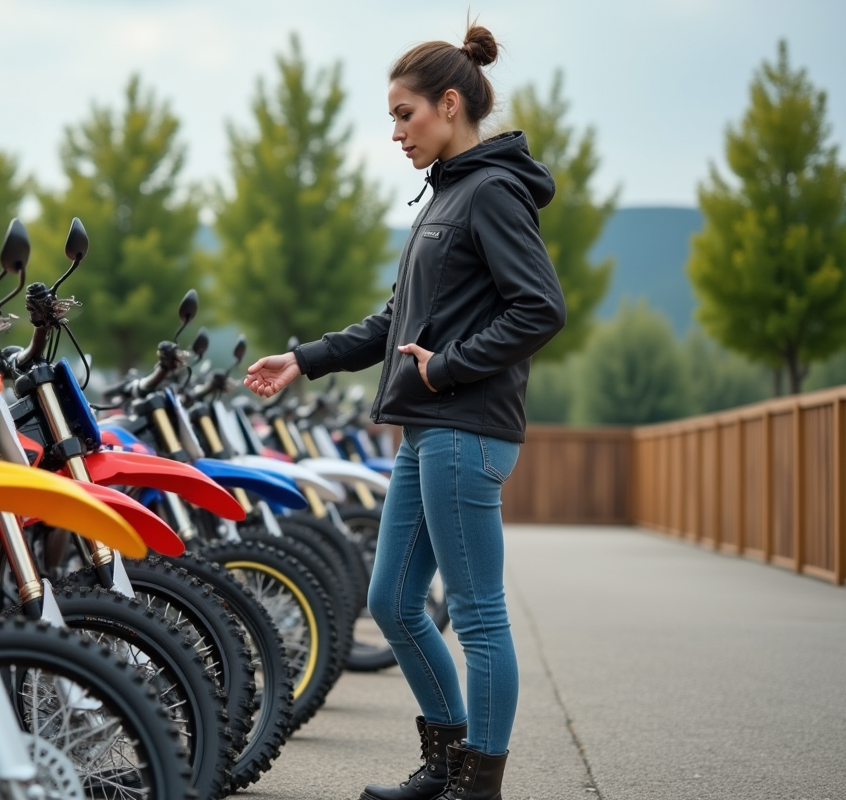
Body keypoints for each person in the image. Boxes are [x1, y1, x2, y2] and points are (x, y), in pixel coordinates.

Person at [242, 22, 566, 800]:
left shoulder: (490, 192)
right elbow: (397, 322)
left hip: (467, 427)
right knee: (390, 600)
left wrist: (449, 365)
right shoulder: (447, 196)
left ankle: (476, 782)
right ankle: (446, 760)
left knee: (479, 615)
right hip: (431, 430)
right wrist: (305, 359)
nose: (394, 132)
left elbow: (541, 309)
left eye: (404, 114)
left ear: (449, 105)